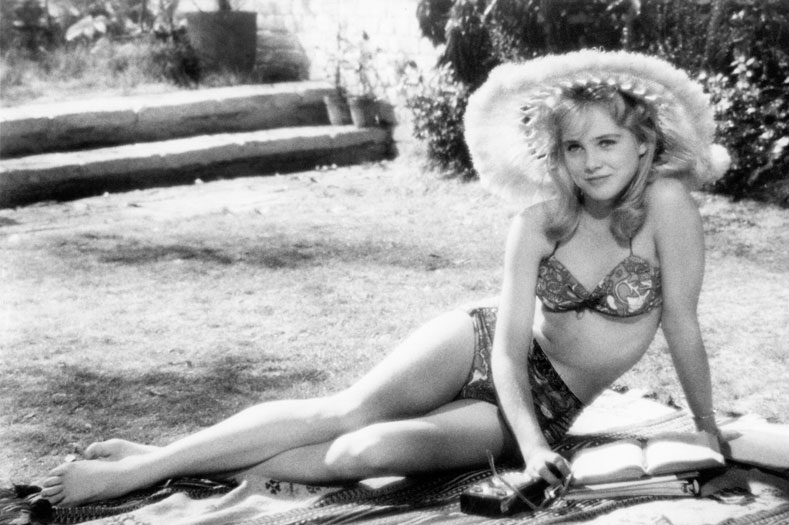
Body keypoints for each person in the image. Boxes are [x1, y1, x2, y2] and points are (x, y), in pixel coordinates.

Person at [39, 49, 730, 507]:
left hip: (548, 400)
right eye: (574, 146)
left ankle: (170, 462)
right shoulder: (539, 221)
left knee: (360, 452)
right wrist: (533, 448)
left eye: (607, 142)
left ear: (645, 142)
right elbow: (506, 347)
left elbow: (682, 325)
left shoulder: (669, 207)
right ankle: (139, 471)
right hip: (484, 344)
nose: (590, 161)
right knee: (343, 411)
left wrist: (706, 429)